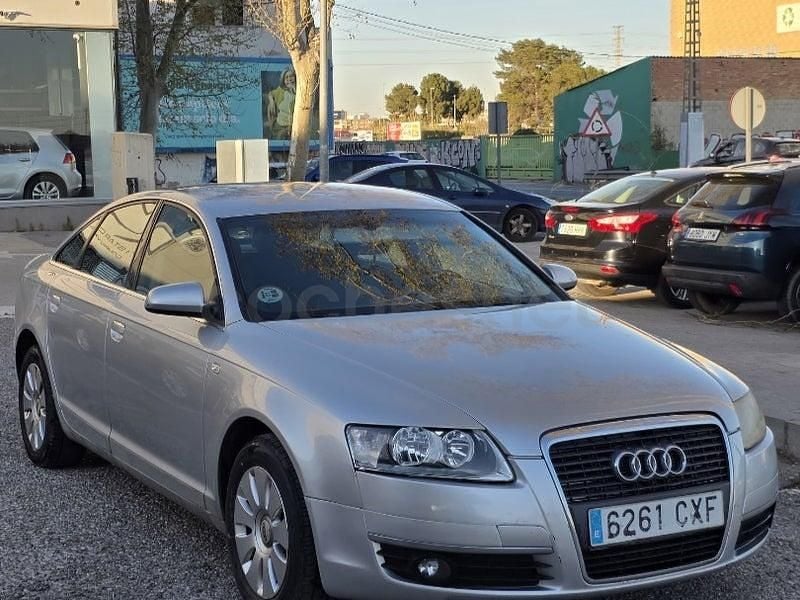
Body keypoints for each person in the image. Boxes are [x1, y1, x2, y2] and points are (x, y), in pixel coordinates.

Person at [264, 68, 296, 140]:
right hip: (278, 124)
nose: (289, 79)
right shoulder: (281, 90)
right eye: (286, 77)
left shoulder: (299, 93)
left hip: (291, 127)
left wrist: (294, 89)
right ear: (283, 80)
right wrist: (271, 102)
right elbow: (271, 94)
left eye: (291, 76)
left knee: (281, 136)